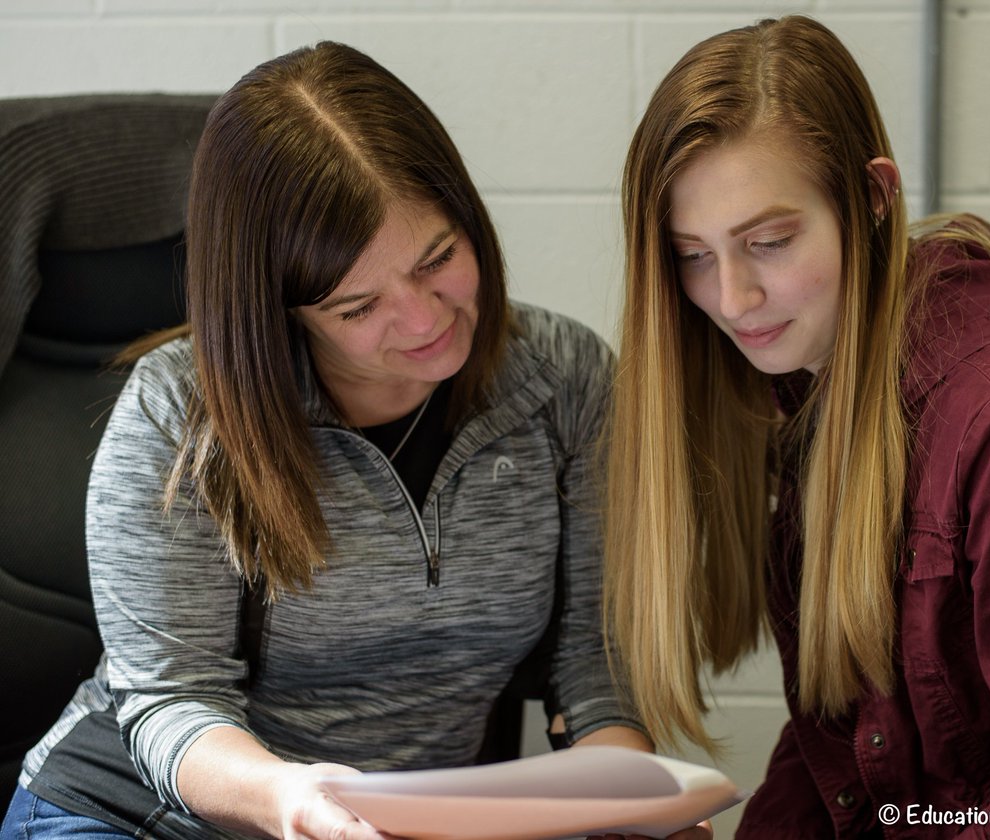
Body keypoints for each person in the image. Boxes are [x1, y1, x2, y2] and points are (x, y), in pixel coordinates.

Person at [0, 41, 675, 840]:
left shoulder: (564, 380)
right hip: (137, 815)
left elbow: (595, 666)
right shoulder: (177, 409)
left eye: (439, 259)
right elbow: (170, 698)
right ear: (278, 309)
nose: (426, 319)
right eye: (358, 308)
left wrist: (634, 809)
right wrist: (292, 800)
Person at [604, 15, 990, 839]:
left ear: (875, 199)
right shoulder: (819, 376)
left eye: (769, 242)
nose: (731, 299)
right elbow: (850, 752)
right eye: (693, 255)